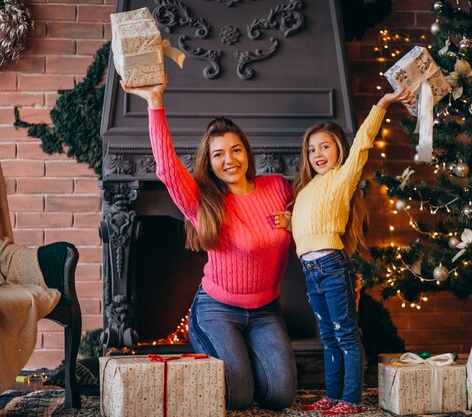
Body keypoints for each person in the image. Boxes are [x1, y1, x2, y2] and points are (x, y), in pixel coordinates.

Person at [121, 77, 297, 411]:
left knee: (280, 396)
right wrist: (154, 102)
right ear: (210, 161)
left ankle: (239, 359)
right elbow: (168, 169)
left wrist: (298, 230)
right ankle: (218, 352)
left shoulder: (277, 187)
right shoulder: (204, 200)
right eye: (219, 154)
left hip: (266, 311)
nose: (229, 160)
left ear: (246, 151)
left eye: (235, 149)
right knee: (240, 398)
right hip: (217, 310)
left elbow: (303, 232)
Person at [274, 89, 414, 415]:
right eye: (312, 149)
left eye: (325, 146)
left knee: (346, 335)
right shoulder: (306, 188)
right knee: (327, 337)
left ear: (339, 148)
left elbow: (364, 140)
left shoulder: (343, 177)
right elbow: (307, 227)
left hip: (334, 268)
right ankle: (332, 395)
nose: (318, 153)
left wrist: (383, 103)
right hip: (311, 272)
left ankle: (351, 400)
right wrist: (288, 222)